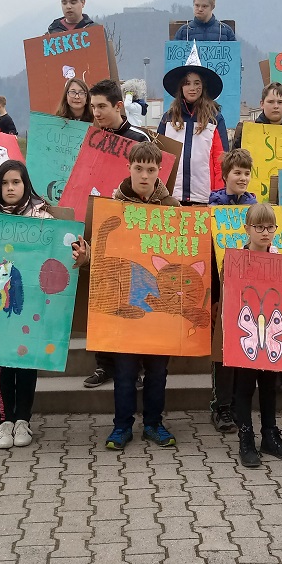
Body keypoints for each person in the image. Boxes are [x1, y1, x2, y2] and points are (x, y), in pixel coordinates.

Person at [0, 160, 86, 449]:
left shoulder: (44, 218)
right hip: (0, 304)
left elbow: (61, 254)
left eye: (16, 182)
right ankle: (5, 422)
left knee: (27, 362)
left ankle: (22, 421)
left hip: (32, 305)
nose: (10, 188)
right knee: (2, 362)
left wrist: (77, 252)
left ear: (26, 185)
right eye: (5, 183)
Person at [101, 142, 179, 450]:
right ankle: (121, 427)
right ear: (129, 168)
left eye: (151, 169)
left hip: (157, 306)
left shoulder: (172, 207)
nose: (144, 175)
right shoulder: (112, 206)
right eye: (138, 168)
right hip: (124, 304)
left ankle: (153, 424)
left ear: (160, 171)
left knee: (158, 371)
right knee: (124, 371)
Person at [82, 79, 150, 390]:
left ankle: (138, 367)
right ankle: (104, 365)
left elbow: (155, 178)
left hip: (133, 231)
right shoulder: (90, 138)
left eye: (101, 107)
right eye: (92, 107)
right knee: (103, 296)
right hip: (99, 226)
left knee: (132, 297)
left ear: (119, 106)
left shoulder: (139, 139)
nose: (95, 112)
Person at [228, 202, 282, 467]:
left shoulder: (281, 259)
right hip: (244, 334)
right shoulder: (237, 259)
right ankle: (246, 438)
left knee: (269, 386)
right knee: (244, 387)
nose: (265, 232)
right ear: (247, 229)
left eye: (270, 227)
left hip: (272, 333)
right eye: (259, 227)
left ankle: (270, 435)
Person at [207, 149, 256, 434]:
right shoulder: (211, 210)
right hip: (220, 290)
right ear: (225, 175)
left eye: (247, 173)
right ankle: (221, 406)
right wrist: (214, 297)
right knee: (222, 352)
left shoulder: (256, 210)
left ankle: (238, 404)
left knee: (244, 348)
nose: (243, 178)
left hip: (248, 293)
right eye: (237, 172)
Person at [158, 47, 228, 204]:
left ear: (203, 87)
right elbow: (159, 158)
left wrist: (219, 196)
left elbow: (221, 161)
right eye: (187, 83)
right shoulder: (167, 119)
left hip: (205, 198)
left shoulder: (215, 119)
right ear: (181, 87)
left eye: (197, 83)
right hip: (171, 197)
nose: (192, 88)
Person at [231, 83, 282, 151]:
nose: (276, 106)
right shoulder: (247, 132)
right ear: (262, 104)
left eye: (280, 102)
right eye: (270, 102)